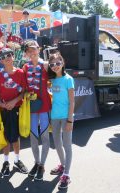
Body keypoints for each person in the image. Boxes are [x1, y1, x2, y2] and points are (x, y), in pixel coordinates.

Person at [0, 48, 29, 177]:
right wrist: (1, 103)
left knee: (15, 136)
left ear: (13, 56)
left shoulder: (20, 73)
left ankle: (17, 160)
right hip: (3, 109)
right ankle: (6, 162)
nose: (7, 57)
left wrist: (14, 101)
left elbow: (24, 92)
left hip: (16, 108)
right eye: (3, 56)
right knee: (5, 136)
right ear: (1, 61)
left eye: (9, 55)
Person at [22, 40, 51, 181]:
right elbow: (23, 87)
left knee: (45, 137)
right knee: (33, 137)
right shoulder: (25, 67)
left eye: (35, 49)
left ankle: (42, 165)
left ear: (39, 50)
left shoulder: (45, 65)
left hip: (44, 106)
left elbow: (59, 76)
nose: (32, 52)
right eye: (29, 50)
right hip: (32, 107)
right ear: (27, 53)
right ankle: (36, 162)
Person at [47, 52, 75, 190]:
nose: (55, 66)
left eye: (58, 63)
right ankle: (62, 166)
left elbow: (72, 100)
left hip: (66, 117)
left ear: (63, 63)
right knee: (57, 143)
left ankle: (67, 175)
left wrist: (70, 120)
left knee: (67, 145)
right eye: (52, 64)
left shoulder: (68, 79)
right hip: (55, 116)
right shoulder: (52, 80)